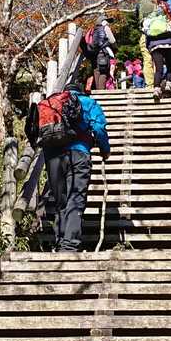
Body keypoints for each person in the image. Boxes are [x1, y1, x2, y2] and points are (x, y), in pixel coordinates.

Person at [26, 79, 110, 252]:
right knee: (75, 198)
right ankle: (69, 245)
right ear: (81, 90)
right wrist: (105, 150)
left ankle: (60, 241)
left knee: (60, 200)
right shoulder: (88, 102)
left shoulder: (50, 104)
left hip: (52, 156)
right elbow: (99, 128)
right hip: (79, 154)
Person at [142, 0, 171, 98]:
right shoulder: (167, 17)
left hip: (155, 46)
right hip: (168, 44)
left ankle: (156, 89)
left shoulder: (148, 19)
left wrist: (149, 47)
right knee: (170, 66)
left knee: (159, 69)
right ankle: (168, 85)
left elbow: (146, 33)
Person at [82, 15, 116, 93]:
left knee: (96, 71)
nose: (108, 23)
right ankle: (101, 92)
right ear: (103, 21)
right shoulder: (105, 28)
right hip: (103, 53)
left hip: (93, 53)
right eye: (107, 21)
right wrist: (114, 47)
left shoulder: (93, 30)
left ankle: (97, 92)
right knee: (103, 71)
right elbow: (112, 40)